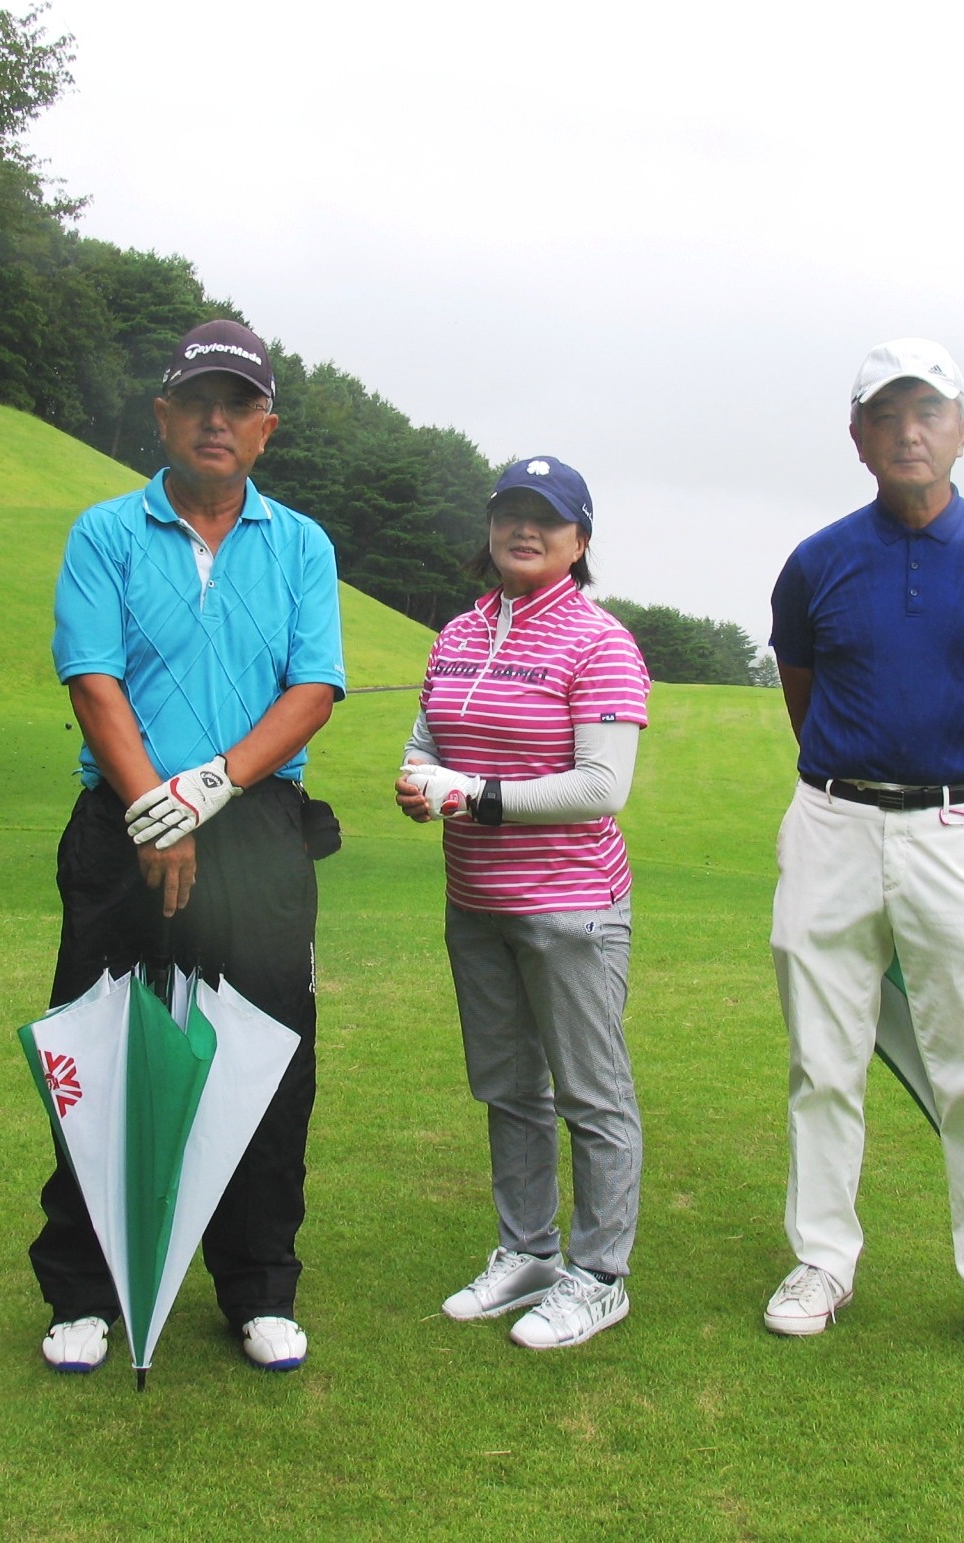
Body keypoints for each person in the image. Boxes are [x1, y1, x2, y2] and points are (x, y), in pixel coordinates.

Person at [33, 319, 345, 1376]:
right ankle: (85, 1287)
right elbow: (93, 679)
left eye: (238, 405)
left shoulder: (300, 544)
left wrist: (206, 789)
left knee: (263, 1052)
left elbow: (313, 689)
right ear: (163, 416)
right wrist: (154, 808)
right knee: (100, 1046)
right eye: (198, 402)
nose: (218, 420)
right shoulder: (105, 532)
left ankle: (257, 1285)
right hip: (122, 820)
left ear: (265, 429)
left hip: (253, 823)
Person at [764, 338, 964, 1372]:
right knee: (822, 1058)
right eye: (886, 414)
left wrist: (948, 773)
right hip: (832, 824)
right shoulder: (816, 562)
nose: (908, 432)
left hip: (958, 829)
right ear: (856, 437)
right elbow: (806, 697)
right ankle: (821, 1259)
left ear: (961, 429)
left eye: (927, 411)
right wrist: (869, 779)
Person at [394, 456, 651, 1351]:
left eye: (546, 516)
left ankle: (600, 1274)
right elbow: (427, 740)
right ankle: (528, 1250)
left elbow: (601, 786)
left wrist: (475, 795)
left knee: (591, 1093)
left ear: (580, 539)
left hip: (570, 907)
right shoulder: (459, 632)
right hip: (476, 901)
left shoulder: (599, 642)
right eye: (510, 511)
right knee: (507, 1087)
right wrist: (419, 781)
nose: (524, 529)